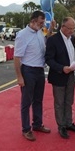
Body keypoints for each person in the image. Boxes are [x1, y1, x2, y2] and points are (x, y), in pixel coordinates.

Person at [14, 10, 54, 141]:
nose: (43, 25)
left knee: (38, 100)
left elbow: (44, 44)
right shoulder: (22, 35)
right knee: (26, 102)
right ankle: (26, 129)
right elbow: (16, 58)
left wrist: (51, 30)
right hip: (28, 70)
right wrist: (19, 77)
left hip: (39, 71)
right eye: (41, 22)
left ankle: (37, 124)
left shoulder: (39, 32)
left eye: (43, 23)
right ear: (33, 21)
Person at [45, 17, 75, 139]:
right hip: (59, 75)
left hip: (71, 74)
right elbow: (48, 59)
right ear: (63, 27)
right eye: (70, 28)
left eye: (73, 28)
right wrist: (61, 68)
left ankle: (69, 122)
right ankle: (61, 125)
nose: (72, 31)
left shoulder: (71, 38)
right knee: (59, 102)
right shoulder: (53, 40)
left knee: (69, 101)